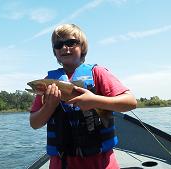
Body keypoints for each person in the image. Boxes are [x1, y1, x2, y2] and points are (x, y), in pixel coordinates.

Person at [29, 24, 137, 169]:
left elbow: (130, 102)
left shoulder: (98, 73)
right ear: (54, 51)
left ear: (82, 47)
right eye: (58, 45)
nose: (64, 47)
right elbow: (35, 124)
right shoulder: (49, 81)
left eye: (71, 42)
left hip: (101, 163)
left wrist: (94, 101)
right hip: (61, 163)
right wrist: (50, 105)